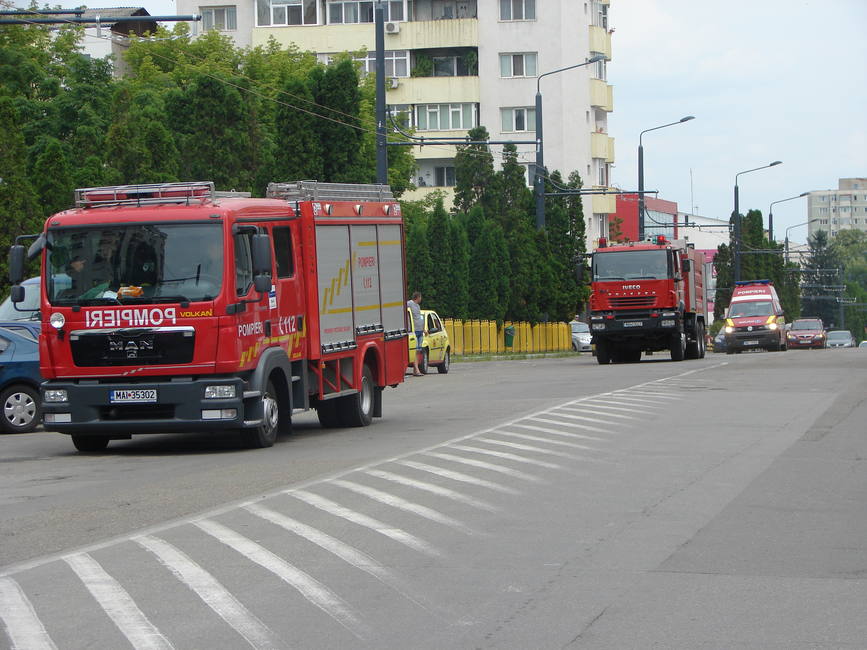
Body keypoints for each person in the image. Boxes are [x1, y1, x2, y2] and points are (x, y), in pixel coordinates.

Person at [407, 291, 425, 376]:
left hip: (420, 331)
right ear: (417, 297)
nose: (421, 299)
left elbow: (419, 317)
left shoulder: (418, 306)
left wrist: (423, 328)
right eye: (420, 297)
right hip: (414, 331)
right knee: (415, 350)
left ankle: (415, 369)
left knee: (418, 351)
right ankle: (417, 370)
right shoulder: (409, 303)